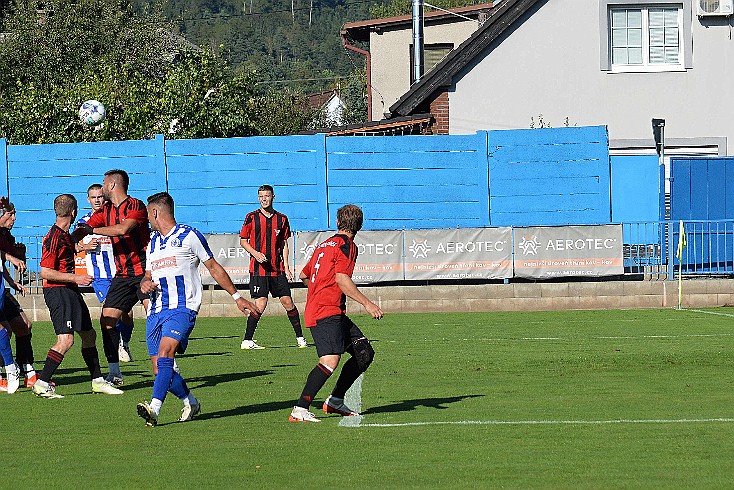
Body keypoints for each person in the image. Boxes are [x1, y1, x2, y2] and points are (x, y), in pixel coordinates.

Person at [136, 192, 261, 426]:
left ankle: (154, 408)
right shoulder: (152, 243)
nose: (147, 219)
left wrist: (237, 297)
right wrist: (144, 282)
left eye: (148, 213)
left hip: (182, 308)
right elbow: (148, 273)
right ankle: (190, 401)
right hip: (155, 310)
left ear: (155, 212)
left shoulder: (189, 235)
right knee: (159, 370)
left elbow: (213, 267)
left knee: (165, 355)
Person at [289, 204, 383, 423]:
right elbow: (342, 279)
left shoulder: (324, 244)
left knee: (364, 353)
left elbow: (304, 274)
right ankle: (300, 408)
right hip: (325, 311)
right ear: (359, 225)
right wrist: (368, 304)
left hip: (331, 311)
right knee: (330, 360)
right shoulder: (347, 245)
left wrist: (318, 290)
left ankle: (335, 401)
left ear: (338, 222)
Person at [32, 194, 123, 399]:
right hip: (58, 291)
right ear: (73, 212)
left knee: (89, 334)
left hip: (69, 291)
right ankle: (42, 383)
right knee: (65, 340)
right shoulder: (54, 237)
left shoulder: (64, 235)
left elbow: (72, 241)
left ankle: (98, 381)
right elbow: (45, 272)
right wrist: (76, 278)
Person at [72, 169, 151, 386]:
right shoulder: (105, 211)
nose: (102, 188)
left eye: (105, 184)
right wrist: (76, 237)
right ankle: (115, 372)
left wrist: (92, 230)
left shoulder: (136, 205)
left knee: (153, 315)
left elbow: (123, 229)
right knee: (107, 320)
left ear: (113, 185)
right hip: (122, 274)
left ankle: (166, 362)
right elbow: (84, 228)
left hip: (145, 270)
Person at [239, 184, 306, 350]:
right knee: (260, 303)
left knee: (287, 302)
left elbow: (284, 244)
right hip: (258, 270)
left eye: (267, 196)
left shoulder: (282, 219)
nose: (264, 199)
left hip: (277, 270)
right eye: (261, 196)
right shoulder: (251, 217)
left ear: (273, 197)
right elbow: (242, 240)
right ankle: (247, 340)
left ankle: (300, 338)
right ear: (258, 198)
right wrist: (255, 253)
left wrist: (288, 267)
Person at [75, 183, 134, 363]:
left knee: (128, 313)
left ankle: (124, 342)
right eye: (93, 197)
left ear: (105, 197)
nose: (97, 200)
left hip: (119, 271)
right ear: (88, 200)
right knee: (111, 311)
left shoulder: (114, 218)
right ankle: (116, 349)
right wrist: (84, 246)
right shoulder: (83, 222)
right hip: (100, 276)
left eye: (100, 196)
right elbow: (73, 244)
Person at [0, 201, 37, 389]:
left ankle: (28, 371)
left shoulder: (7, 236)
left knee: (24, 325)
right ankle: (5, 371)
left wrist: (18, 256)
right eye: (10, 214)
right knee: (3, 330)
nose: (14, 218)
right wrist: (10, 256)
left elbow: (4, 263)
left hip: (1, 288)